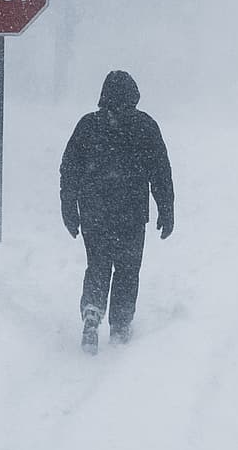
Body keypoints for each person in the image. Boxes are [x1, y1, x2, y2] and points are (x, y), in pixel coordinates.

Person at [59, 70, 174, 354]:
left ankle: (92, 310)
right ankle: (121, 326)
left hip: (94, 211)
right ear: (134, 95)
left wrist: (68, 207)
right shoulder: (145, 126)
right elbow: (161, 171)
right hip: (131, 213)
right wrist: (166, 208)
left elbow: (69, 170)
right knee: (126, 269)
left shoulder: (88, 126)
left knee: (97, 263)